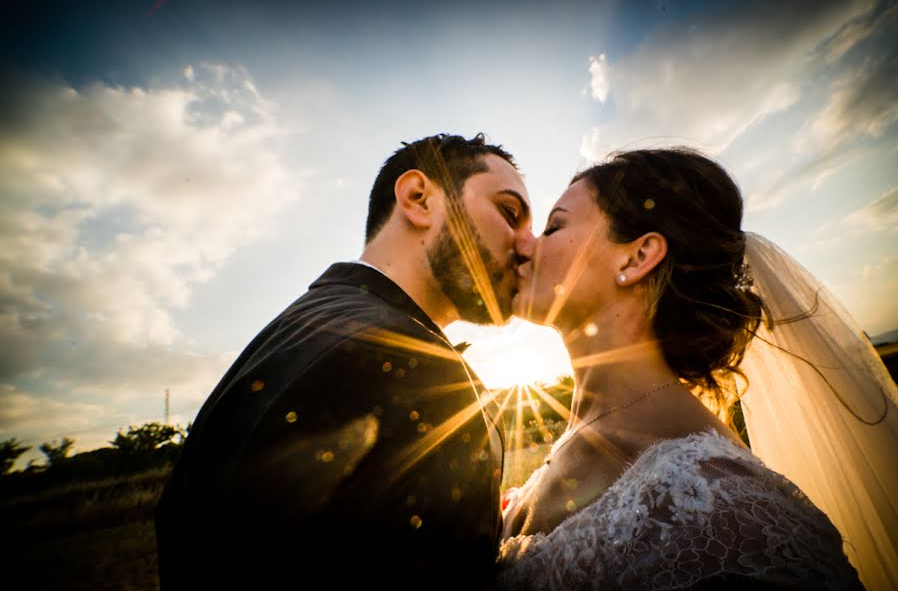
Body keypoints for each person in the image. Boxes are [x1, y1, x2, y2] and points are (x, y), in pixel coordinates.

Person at [497, 148, 896, 589]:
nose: (524, 244)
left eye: (554, 226)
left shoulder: (728, 511)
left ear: (636, 257)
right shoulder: (584, 431)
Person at [155, 133, 535, 589]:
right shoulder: (427, 376)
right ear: (418, 199)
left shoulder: (287, 333)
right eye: (510, 213)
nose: (527, 245)